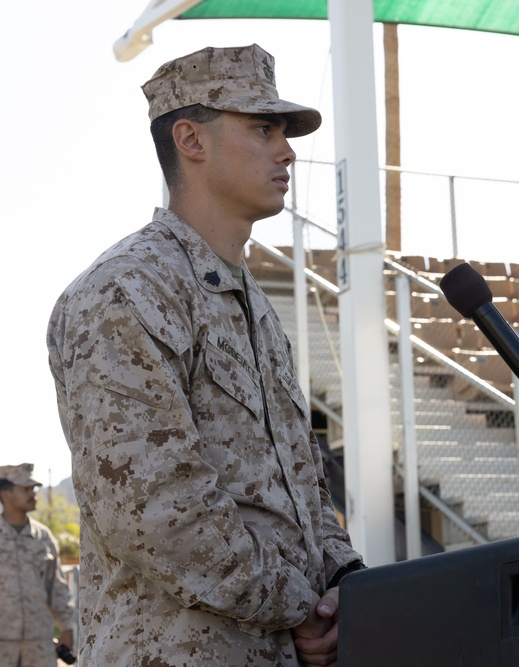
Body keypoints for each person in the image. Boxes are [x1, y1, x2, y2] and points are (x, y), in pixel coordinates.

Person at [46, 45, 364, 667]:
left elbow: (302, 481)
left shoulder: (254, 306)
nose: (287, 150)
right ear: (190, 139)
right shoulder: (125, 290)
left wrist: (344, 588)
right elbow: (157, 509)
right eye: (262, 128)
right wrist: (301, 608)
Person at [0, 464, 74, 667]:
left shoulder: (43, 536)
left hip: (39, 641)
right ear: (6, 494)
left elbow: (56, 586)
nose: (33, 494)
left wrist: (67, 627)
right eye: (25, 489)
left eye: (33, 489)